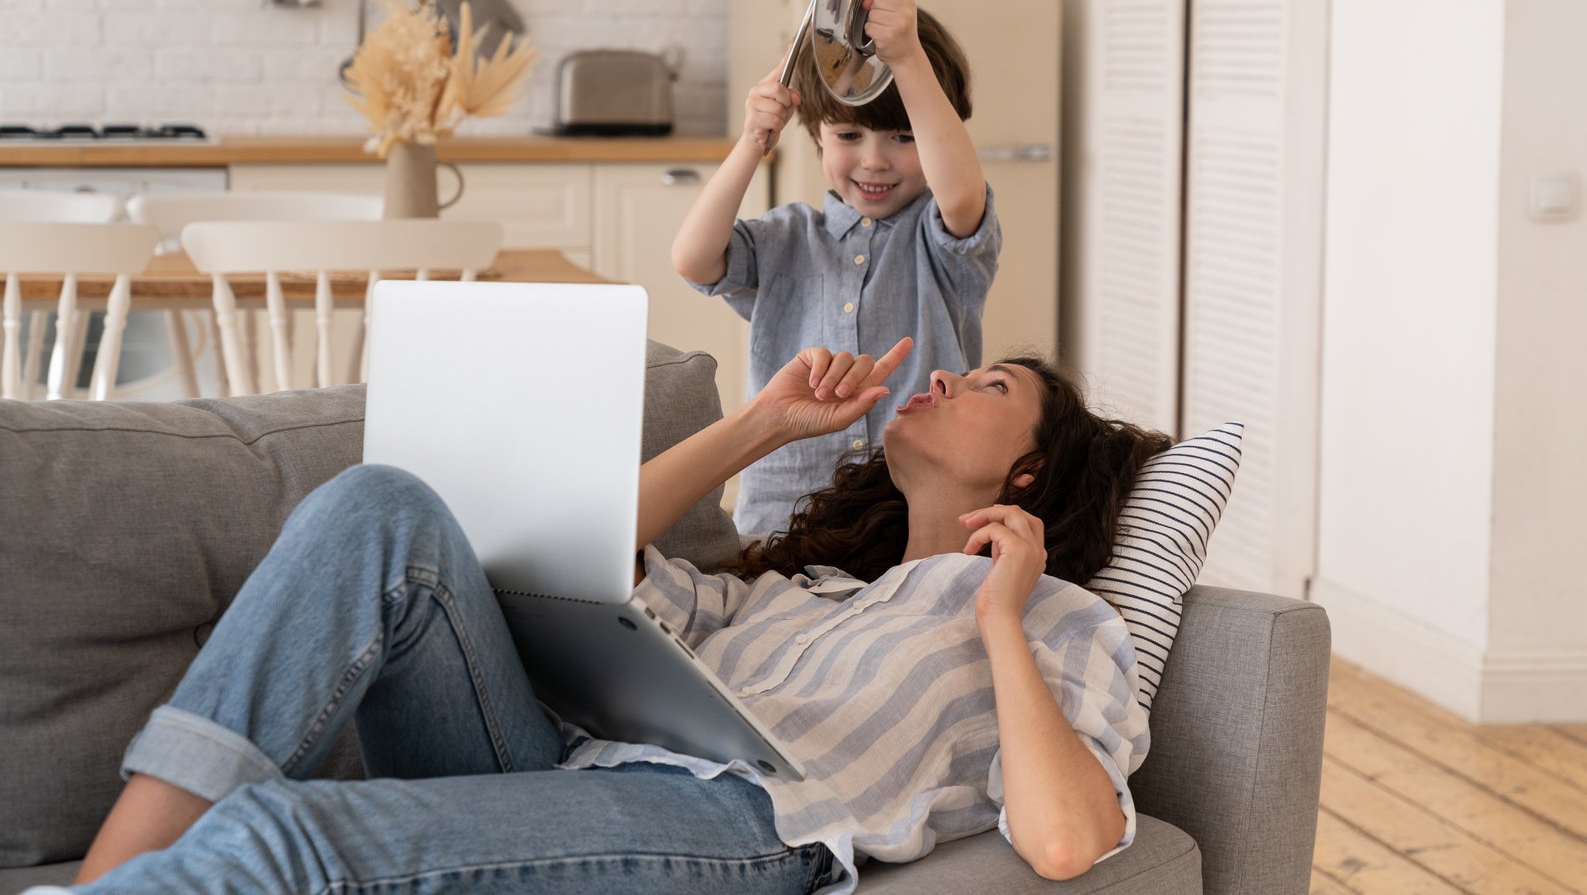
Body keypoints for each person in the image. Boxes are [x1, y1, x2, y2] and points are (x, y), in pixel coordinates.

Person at [41, 337, 1171, 895]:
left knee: (274, 839)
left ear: (1027, 477)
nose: (941, 380)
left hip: (752, 829)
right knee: (377, 506)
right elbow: (578, 553)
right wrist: (760, 427)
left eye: (988, 389)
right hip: (574, 766)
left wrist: (1001, 618)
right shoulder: (807, 594)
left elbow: (1068, 835)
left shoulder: (1052, 620)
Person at [673, 0, 1001, 536]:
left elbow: (964, 195)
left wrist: (908, 58)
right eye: (849, 134)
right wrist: (753, 138)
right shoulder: (787, 237)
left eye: (903, 136)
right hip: (782, 522)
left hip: (909, 527)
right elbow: (694, 259)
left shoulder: (941, 239)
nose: (874, 161)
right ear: (818, 137)